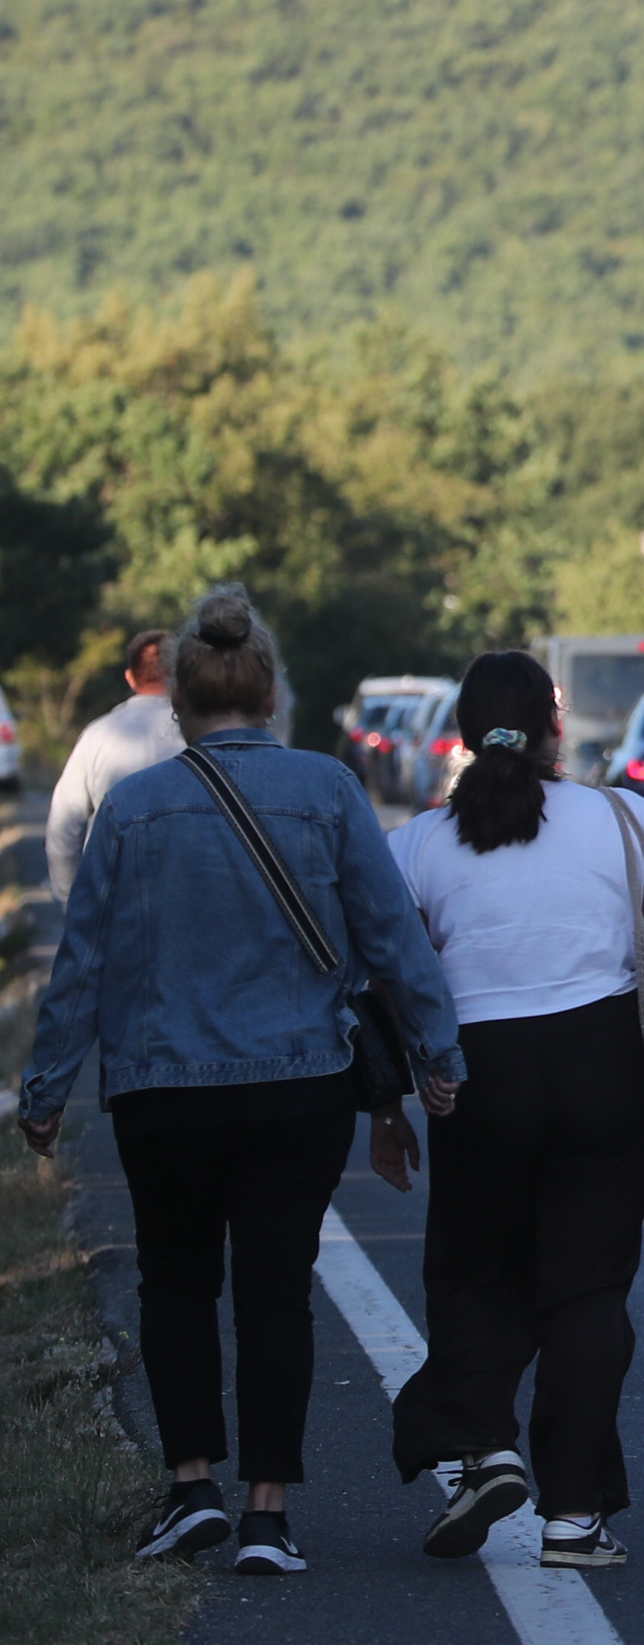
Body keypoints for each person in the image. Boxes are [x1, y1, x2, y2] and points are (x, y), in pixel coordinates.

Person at [19, 589, 465, 1578]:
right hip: (297, 1084)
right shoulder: (330, 789)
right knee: (275, 1290)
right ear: (271, 693)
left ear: (177, 696)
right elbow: (393, 938)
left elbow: (81, 960)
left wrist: (45, 1088)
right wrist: (440, 1056)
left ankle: (191, 1488)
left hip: (160, 1085)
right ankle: (269, 1513)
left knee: (175, 1279)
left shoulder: (131, 807)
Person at [383, 650, 644, 1571]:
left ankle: (485, 1449)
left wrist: (402, 1090)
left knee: (473, 1269)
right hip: (603, 1067)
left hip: (477, 1072)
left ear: (459, 732)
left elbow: (395, 982)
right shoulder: (623, 817)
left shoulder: (416, 844)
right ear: (554, 729)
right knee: (587, 1290)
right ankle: (574, 1519)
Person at [41, 630, 179, 906]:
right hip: (183, 902)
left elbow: (62, 827)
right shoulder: (200, 735)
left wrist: (70, 900)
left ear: (130, 677)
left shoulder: (98, 735)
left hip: (112, 900)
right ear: (182, 675)